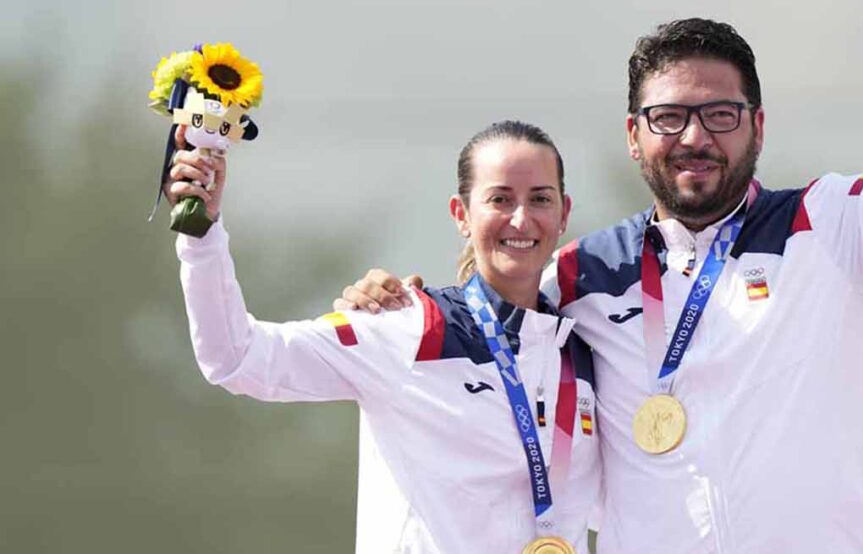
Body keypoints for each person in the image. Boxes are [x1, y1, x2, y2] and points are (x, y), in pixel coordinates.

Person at [338, 0, 863, 552]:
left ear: (757, 126)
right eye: (669, 117)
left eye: (720, 114)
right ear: (633, 136)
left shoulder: (834, 226)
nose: (695, 138)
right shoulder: (580, 273)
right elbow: (488, 317)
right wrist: (395, 300)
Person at [167, 120, 600, 554]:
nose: (521, 218)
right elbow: (236, 357)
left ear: (563, 213)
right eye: (500, 199)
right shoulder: (407, 325)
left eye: (539, 199)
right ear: (461, 215)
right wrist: (201, 236)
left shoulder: (583, 349)